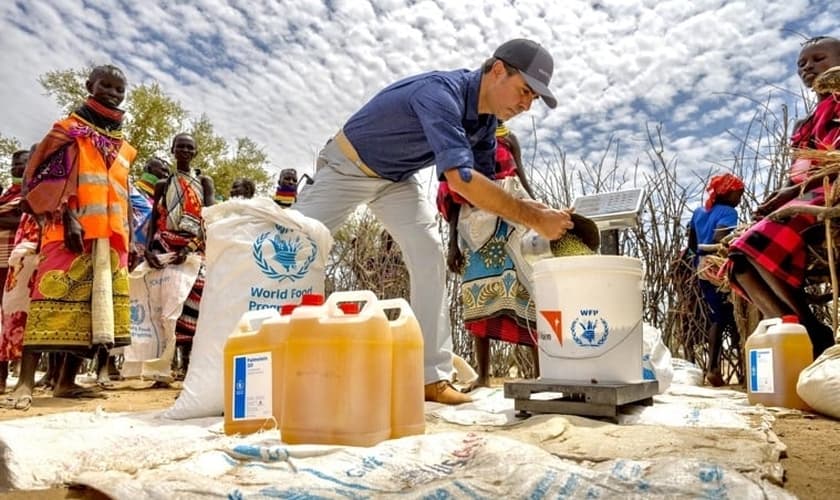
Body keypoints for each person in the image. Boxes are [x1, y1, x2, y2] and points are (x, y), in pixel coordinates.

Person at [293, 38, 573, 405]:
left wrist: (535, 207)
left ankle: (431, 378)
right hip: (348, 167)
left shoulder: (486, 125)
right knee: (292, 247)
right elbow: (462, 179)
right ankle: (258, 358)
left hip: (396, 181)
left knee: (429, 255)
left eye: (533, 99)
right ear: (498, 70)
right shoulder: (439, 94)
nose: (526, 104)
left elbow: (484, 191)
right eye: (524, 90)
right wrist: (536, 218)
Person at [3, 64, 136, 410]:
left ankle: (66, 382)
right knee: (48, 300)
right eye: (105, 85)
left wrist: (130, 237)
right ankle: (25, 382)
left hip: (112, 238)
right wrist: (68, 216)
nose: (112, 93)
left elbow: (123, 192)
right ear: (89, 85)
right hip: (69, 231)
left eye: (119, 89)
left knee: (94, 313)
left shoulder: (123, 144)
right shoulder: (69, 131)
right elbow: (45, 178)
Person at [727, 36, 840, 359]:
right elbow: (798, 171)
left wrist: (793, 192)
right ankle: (803, 329)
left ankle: (811, 335)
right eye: (801, 64)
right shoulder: (807, 124)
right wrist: (779, 193)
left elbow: (830, 163)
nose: (808, 67)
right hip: (804, 195)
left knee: (758, 240)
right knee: (737, 261)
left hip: (831, 194)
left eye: (818, 58)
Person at [437, 122, 540, 388]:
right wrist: (452, 244)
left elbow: (522, 179)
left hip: (508, 222)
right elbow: (453, 194)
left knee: (524, 291)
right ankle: (483, 377)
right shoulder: (462, 139)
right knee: (477, 297)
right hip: (472, 229)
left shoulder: (509, 139)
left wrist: (540, 214)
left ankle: (541, 375)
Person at [145, 133, 215, 382]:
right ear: (173, 149)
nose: (185, 150)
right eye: (181, 146)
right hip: (164, 246)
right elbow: (155, 218)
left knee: (191, 304)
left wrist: (191, 247)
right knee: (164, 306)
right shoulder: (163, 185)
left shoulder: (203, 181)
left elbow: (209, 217)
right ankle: (160, 366)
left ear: (195, 152)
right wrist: (148, 248)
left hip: (193, 250)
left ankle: (187, 366)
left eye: (189, 147)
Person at [688, 173, 744, 387]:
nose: (740, 199)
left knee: (716, 316)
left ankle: (713, 367)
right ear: (728, 194)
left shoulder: (699, 212)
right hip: (719, 268)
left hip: (702, 267)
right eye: (738, 195)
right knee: (730, 316)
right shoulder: (729, 212)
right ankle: (717, 368)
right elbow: (722, 238)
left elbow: (693, 244)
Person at [0, 149, 30, 391]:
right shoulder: (5, 195)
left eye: (22, 163)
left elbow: (22, 220)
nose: (16, 167)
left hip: (16, 264)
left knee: (11, 318)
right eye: (14, 163)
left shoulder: (29, 194)